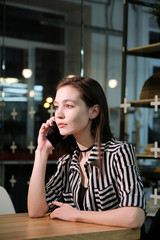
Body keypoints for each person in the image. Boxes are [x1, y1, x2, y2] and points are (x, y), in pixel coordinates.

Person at [28, 75, 146, 228]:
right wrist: (42, 152)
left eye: (69, 106)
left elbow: (134, 217)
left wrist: (76, 215)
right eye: (57, 106)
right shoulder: (67, 162)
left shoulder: (118, 153)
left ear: (93, 111)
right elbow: (36, 210)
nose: (59, 114)